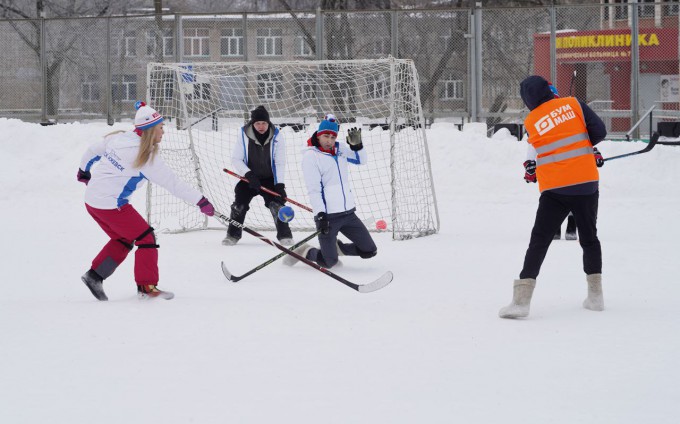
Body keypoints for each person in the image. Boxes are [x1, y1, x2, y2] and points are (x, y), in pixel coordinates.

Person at [77, 101, 215, 301]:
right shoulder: (146, 157)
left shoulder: (119, 138)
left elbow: (92, 151)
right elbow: (173, 183)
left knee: (123, 238)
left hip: (92, 201)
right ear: (150, 130)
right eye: (160, 128)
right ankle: (147, 287)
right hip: (111, 205)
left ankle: (94, 276)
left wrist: (83, 172)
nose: (163, 132)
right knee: (146, 238)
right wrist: (201, 201)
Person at [500, 75, 606, 319]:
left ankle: (521, 302)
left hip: (555, 188)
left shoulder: (532, 120)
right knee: (589, 238)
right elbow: (599, 132)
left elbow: (541, 149)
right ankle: (596, 297)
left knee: (539, 240)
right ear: (550, 89)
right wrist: (587, 148)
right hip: (586, 184)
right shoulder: (574, 104)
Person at [283, 114, 377, 268]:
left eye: (333, 137)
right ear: (319, 136)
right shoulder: (311, 156)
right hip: (329, 217)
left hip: (348, 213)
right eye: (326, 136)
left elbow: (361, 160)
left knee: (369, 250)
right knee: (329, 262)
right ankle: (304, 251)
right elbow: (314, 190)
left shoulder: (340, 150)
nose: (329, 140)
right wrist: (320, 215)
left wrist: (357, 146)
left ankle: (336, 248)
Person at [223, 105, 293, 246]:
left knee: (277, 204)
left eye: (264, 123)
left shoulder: (277, 136)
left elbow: (280, 162)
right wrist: (249, 174)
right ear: (252, 123)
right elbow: (236, 159)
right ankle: (232, 235)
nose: (261, 126)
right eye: (258, 123)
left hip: (269, 179)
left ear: (268, 123)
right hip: (249, 179)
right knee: (239, 205)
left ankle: (285, 235)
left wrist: (279, 185)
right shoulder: (244, 135)